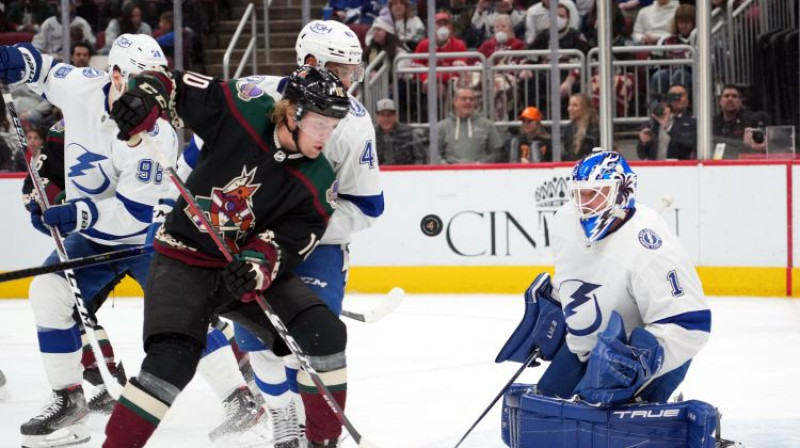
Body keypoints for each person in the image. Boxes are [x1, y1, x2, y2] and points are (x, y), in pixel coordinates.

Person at [102, 63, 351, 448]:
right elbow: (170, 82)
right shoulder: (243, 108)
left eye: (333, 127)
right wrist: (143, 99)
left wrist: (257, 265)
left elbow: (288, 241)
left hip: (241, 272)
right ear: (291, 112)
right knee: (171, 362)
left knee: (325, 334)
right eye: (321, 124)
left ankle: (322, 441)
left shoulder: (318, 182)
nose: (327, 136)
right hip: (183, 258)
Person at [178, 20, 385, 447]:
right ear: (309, 63)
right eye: (343, 70)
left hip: (317, 248)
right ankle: (283, 416)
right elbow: (197, 156)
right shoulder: (254, 93)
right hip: (245, 244)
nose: (351, 81)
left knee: (312, 343)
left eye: (353, 71)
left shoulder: (354, 124)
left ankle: (319, 435)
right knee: (259, 344)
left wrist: (292, 227)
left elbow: (367, 207)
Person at [0, 34, 176, 448]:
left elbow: (133, 215)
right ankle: (69, 400)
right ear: (114, 76)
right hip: (96, 242)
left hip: (146, 240)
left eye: (156, 82)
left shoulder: (156, 132)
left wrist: (74, 214)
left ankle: (240, 393)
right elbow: (41, 68)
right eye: (137, 81)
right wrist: (13, 59)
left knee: (185, 315)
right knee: (48, 290)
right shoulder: (81, 86)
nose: (149, 94)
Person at [496, 151, 711, 443]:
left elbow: (690, 324)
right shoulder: (563, 221)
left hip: (642, 359)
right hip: (584, 347)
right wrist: (558, 308)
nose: (585, 205)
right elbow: (578, 272)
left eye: (595, 195)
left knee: (606, 437)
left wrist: (638, 364)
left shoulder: (652, 250)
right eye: (579, 195)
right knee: (541, 421)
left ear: (623, 193)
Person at [437, 86, 505, 164]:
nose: (468, 102)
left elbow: (497, 153)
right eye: (463, 98)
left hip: (480, 173)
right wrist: (447, 167)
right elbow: (434, 153)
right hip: (450, 174)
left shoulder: (487, 125)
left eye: (471, 99)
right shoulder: (442, 127)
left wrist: (480, 164)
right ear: (454, 102)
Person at [637, 83, 696, 160]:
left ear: (687, 100)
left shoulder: (692, 122)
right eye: (673, 95)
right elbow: (642, 155)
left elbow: (689, 143)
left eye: (680, 95)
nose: (677, 98)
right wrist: (644, 142)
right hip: (656, 168)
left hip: (681, 169)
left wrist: (668, 127)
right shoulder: (653, 123)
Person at [649, 4, 695, 96]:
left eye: (687, 22)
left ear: (693, 23)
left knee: (679, 74)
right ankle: (658, 108)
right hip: (669, 72)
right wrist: (665, 58)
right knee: (659, 76)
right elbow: (653, 61)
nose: (683, 26)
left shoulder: (699, 39)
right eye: (681, 23)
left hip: (692, 75)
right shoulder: (667, 40)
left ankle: (679, 108)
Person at [712, 84, 769, 157]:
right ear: (720, 101)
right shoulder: (711, 123)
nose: (730, 99)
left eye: (734, 96)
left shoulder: (750, 120)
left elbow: (765, 146)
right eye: (726, 96)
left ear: (740, 101)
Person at [375, 98, 427, 165]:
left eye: (389, 115)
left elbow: (420, 157)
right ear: (377, 117)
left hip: (406, 173)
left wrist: (413, 173)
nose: (386, 119)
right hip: (378, 173)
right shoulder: (371, 134)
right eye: (382, 115)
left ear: (395, 116)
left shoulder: (408, 132)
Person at [32, 0, 96, 54]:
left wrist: (80, 39)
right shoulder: (48, 23)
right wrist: (44, 53)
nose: (64, 8)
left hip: (75, 59)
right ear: (57, 7)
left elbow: (92, 46)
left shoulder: (81, 23)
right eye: (60, 5)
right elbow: (36, 45)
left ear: (73, 7)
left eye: (68, 5)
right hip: (52, 58)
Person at [562, 93, 599, 161]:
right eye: (569, 105)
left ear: (585, 108)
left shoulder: (594, 128)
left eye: (575, 105)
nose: (570, 109)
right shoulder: (569, 128)